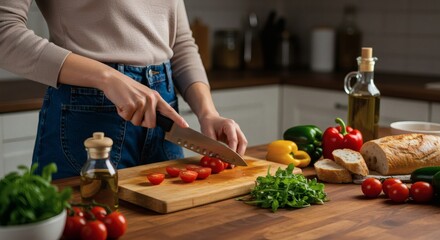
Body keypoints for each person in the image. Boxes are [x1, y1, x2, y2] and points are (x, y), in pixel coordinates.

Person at [0, 1, 248, 179]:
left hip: (162, 114)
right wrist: (107, 77)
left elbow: (179, 42)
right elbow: (4, 32)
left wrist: (208, 112)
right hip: (87, 116)